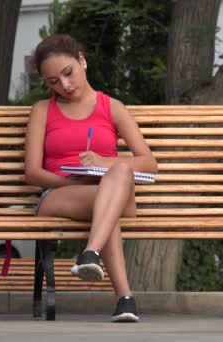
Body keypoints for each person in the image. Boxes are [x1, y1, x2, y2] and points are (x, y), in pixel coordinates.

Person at [24, 34, 158, 323]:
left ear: (82, 60)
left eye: (68, 73)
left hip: (112, 192)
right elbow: (33, 172)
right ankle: (124, 298)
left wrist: (104, 163)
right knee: (107, 204)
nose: (64, 85)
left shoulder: (113, 108)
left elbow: (149, 163)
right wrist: (72, 182)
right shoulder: (43, 110)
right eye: (53, 82)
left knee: (121, 170)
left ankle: (90, 253)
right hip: (60, 196)